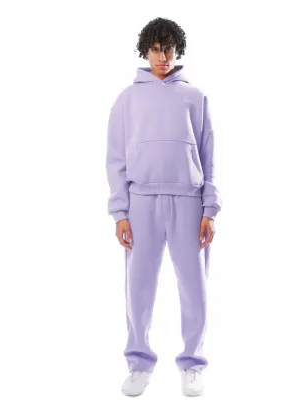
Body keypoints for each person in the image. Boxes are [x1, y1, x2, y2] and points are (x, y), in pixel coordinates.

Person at [105, 17, 222, 396]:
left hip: (189, 202)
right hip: (141, 202)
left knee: (194, 288)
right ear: (145, 51)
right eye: (156, 49)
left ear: (177, 50)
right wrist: (120, 212)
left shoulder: (195, 97)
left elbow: (209, 155)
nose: (162, 57)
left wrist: (210, 208)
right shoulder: (127, 98)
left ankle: (193, 363)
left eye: (169, 49)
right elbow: (116, 158)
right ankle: (139, 363)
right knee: (138, 288)